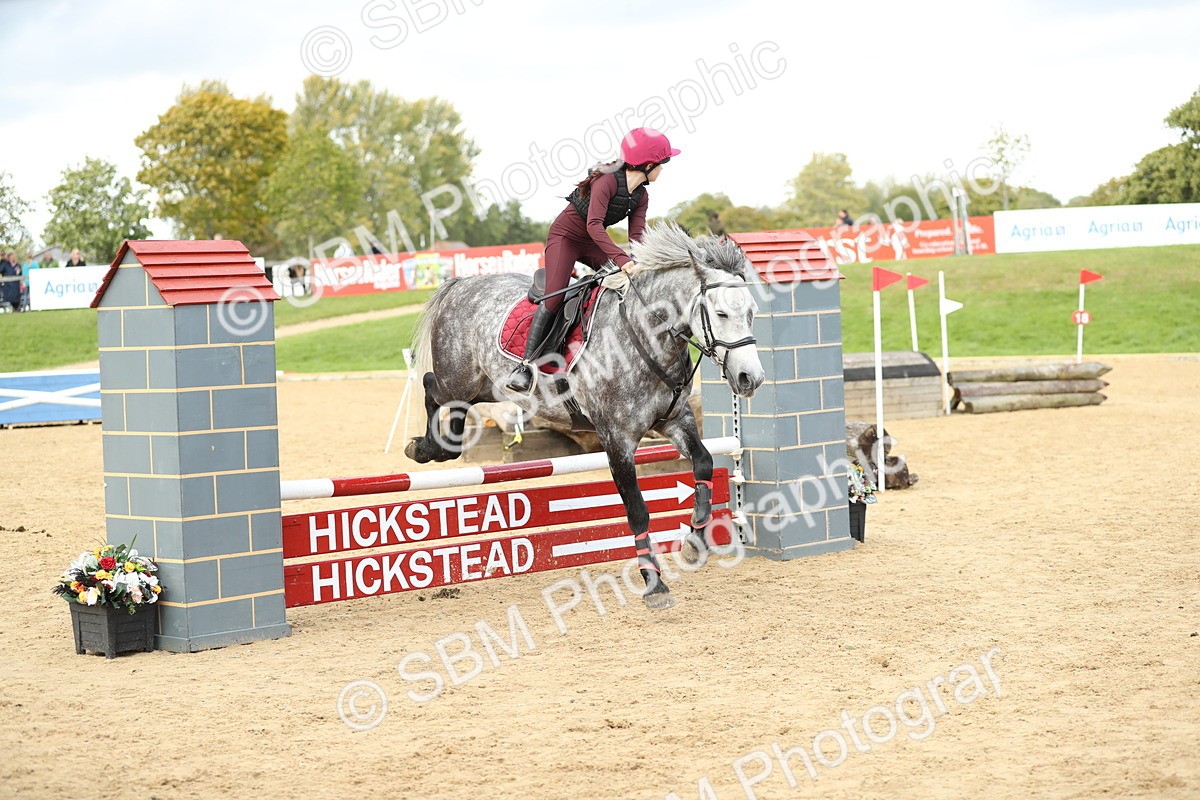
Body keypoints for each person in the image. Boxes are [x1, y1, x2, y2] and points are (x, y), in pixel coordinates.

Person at [504, 126, 680, 394]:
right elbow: (594, 225)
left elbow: (637, 235)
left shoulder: (641, 195)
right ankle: (526, 367)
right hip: (566, 238)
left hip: (592, 242)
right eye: (663, 164)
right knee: (553, 298)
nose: (663, 170)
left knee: (626, 285)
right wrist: (621, 259)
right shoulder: (607, 181)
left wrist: (641, 262)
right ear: (647, 164)